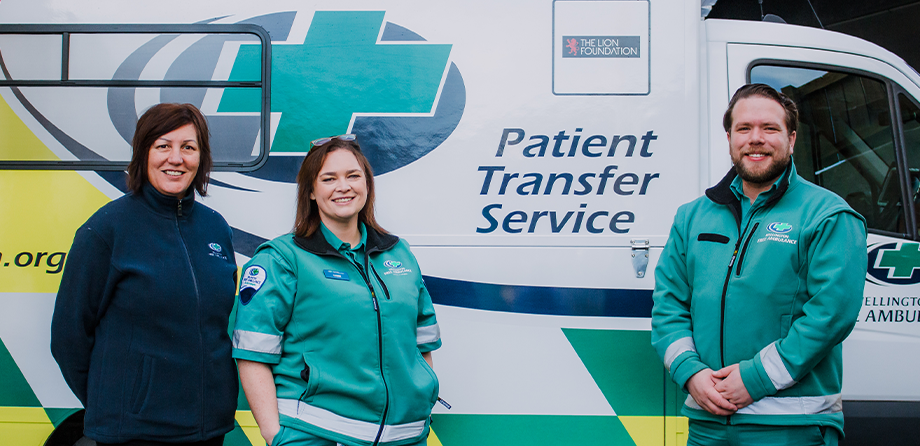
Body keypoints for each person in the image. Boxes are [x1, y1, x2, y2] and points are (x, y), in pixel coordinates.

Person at [651, 84, 867, 446]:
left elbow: (830, 315)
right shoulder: (692, 217)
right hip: (707, 425)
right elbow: (669, 306)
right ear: (730, 137)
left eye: (769, 128)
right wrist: (691, 373)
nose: (756, 139)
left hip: (789, 428)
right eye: (744, 129)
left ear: (792, 138)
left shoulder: (828, 215)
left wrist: (755, 378)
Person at [233, 134, 441, 446]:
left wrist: (420, 399)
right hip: (319, 433)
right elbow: (252, 353)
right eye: (328, 178)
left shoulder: (400, 254)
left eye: (353, 176)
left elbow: (421, 344)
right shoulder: (282, 259)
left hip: (405, 436)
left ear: (367, 184)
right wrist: (273, 433)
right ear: (312, 192)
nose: (343, 186)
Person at [51, 103, 239, 446]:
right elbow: (68, 337)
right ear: (143, 154)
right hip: (135, 431)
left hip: (208, 427)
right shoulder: (107, 229)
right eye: (163, 146)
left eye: (188, 147)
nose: (176, 158)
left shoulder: (216, 228)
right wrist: (114, 404)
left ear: (201, 158)